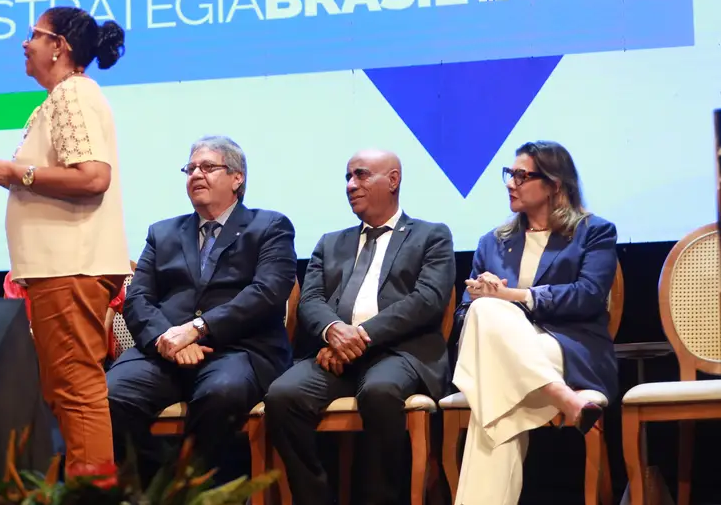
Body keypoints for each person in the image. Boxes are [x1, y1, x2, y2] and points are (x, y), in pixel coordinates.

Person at [0, 6, 129, 478]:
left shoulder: (71, 94)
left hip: (69, 265)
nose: (25, 43)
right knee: (67, 389)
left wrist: (13, 172)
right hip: (60, 267)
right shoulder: (65, 96)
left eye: (35, 35)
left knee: (77, 390)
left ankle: (92, 492)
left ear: (59, 46)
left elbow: (92, 177)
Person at [264, 149, 455, 505]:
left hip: (399, 353)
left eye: (362, 175)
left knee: (380, 392)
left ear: (393, 180)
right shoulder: (330, 242)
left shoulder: (432, 236)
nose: (351, 185)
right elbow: (311, 300)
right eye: (348, 177)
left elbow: (427, 300)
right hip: (334, 353)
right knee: (283, 396)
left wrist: (360, 337)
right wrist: (334, 331)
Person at [107, 136, 296, 482]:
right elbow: (138, 299)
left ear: (237, 178)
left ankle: (196, 490)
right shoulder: (162, 232)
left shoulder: (269, 227)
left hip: (238, 350)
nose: (196, 174)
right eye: (190, 168)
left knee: (220, 396)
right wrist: (168, 338)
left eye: (208, 167)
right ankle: (157, 487)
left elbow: (267, 293)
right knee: (109, 396)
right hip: (164, 350)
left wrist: (197, 329)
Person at [451, 141, 618, 505]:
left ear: (554, 184)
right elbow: (463, 314)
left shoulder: (594, 232)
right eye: (509, 174)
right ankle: (564, 398)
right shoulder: (493, 242)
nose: (511, 183)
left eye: (521, 176)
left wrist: (513, 296)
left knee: (491, 388)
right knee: (484, 313)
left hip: (570, 349)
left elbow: (588, 295)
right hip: (509, 353)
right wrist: (481, 296)